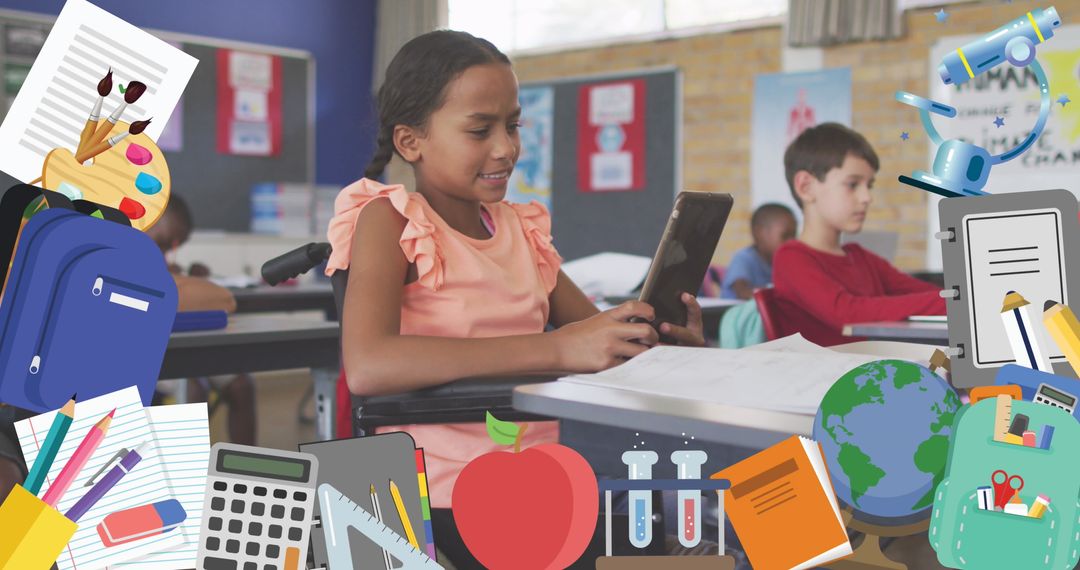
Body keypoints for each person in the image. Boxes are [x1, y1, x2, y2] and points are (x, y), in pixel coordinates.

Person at [326, 30, 705, 566]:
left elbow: (595, 340)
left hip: (543, 485)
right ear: (411, 141)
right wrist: (555, 350)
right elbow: (368, 365)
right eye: (480, 130)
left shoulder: (522, 231)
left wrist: (659, 344)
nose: (505, 147)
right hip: (445, 499)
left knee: (679, 533)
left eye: (512, 125)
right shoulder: (390, 220)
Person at [772, 122, 944, 346]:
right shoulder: (791, 258)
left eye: (869, 185)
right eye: (852, 184)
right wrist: (956, 301)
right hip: (827, 377)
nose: (867, 197)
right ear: (806, 187)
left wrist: (959, 298)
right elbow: (848, 314)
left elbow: (926, 294)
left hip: (869, 368)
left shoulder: (860, 257)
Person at [148, 195, 255, 446]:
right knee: (194, 387)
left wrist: (193, 280)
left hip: (186, 345)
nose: (168, 254)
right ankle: (186, 476)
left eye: (174, 247)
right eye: (166, 244)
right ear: (153, 217)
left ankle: (248, 473)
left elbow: (185, 297)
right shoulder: (127, 245)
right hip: (147, 354)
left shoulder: (165, 262)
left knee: (241, 384)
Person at [721, 203, 796, 300]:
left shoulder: (782, 262)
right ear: (759, 233)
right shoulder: (744, 258)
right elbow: (742, 292)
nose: (791, 242)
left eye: (793, 235)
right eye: (785, 236)